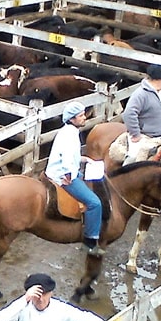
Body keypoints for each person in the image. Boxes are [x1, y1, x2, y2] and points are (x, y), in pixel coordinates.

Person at [44, 101, 104, 256]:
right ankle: (90, 242)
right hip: (63, 174)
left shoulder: (67, 132)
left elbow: (71, 156)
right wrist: (68, 176)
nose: (84, 118)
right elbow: (67, 158)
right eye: (81, 116)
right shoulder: (70, 135)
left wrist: (85, 159)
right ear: (71, 119)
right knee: (95, 203)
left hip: (59, 169)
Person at [122, 64, 161, 165]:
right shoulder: (140, 94)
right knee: (132, 160)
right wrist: (136, 134)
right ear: (158, 79)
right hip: (146, 136)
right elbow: (129, 114)